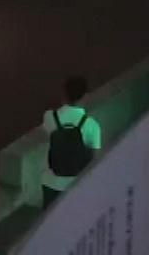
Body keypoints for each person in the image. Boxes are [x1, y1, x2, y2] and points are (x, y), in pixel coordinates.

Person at [41, 75, 102, 208]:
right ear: (85, 96)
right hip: (78, 185)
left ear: (64, 94)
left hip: (51, 183)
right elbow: (94, 161)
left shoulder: (49, 117)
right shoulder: (92, 125)